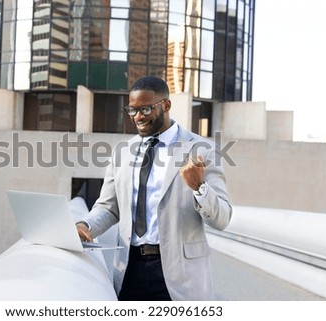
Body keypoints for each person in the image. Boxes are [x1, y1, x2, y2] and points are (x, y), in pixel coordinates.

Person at [76, 76, 232, 301]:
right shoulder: (122, 152)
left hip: (180, 275)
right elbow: (109, 208)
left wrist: (200, 187)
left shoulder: (202, 150)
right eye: (132, 110)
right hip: (130, 269)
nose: (138, 117)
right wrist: (86, 225)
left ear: (166, 105)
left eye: (146, 109)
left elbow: (223, 219)